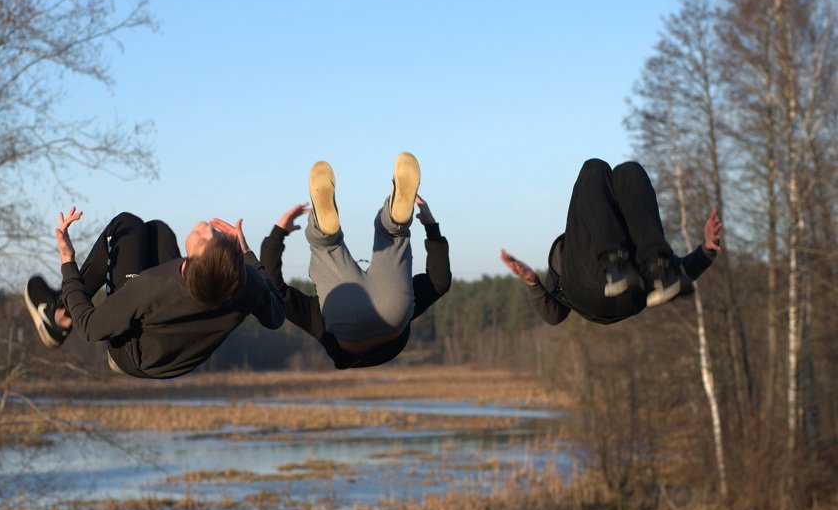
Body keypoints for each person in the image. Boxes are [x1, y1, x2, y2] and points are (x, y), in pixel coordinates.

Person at [23, 208, 286, 378]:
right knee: (156, 231)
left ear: (191, 262)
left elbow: (91, 328)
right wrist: (246, 253)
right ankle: (63, 311)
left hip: (131, 353)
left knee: (126, 225)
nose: (207, 228)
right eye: (217, 237)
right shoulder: (246, 283)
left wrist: (68, 262)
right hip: (171, 355)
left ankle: (60, 315)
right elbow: (275, 317)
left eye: (206, 240)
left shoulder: (151, 288)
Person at [260, 152, 451, 368]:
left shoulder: (319, 315)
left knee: (393, 236)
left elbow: (440, 282)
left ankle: (395, 221)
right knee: (326, 247)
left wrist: (431, 226)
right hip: (363, 319)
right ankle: (324, 232)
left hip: (388, 317)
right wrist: (277, 234)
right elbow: (274, 290)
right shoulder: (317, 315)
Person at [500, 158, 723, 326]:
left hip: (616, 289)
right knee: (620, 171)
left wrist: (707, 250)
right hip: (610, 293)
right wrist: (532, 282)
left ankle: (640, 269)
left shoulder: (634, 238)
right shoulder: (628, 239)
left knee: (604, 169)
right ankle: (632, 269)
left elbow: (679, 277)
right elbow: (554, 314)